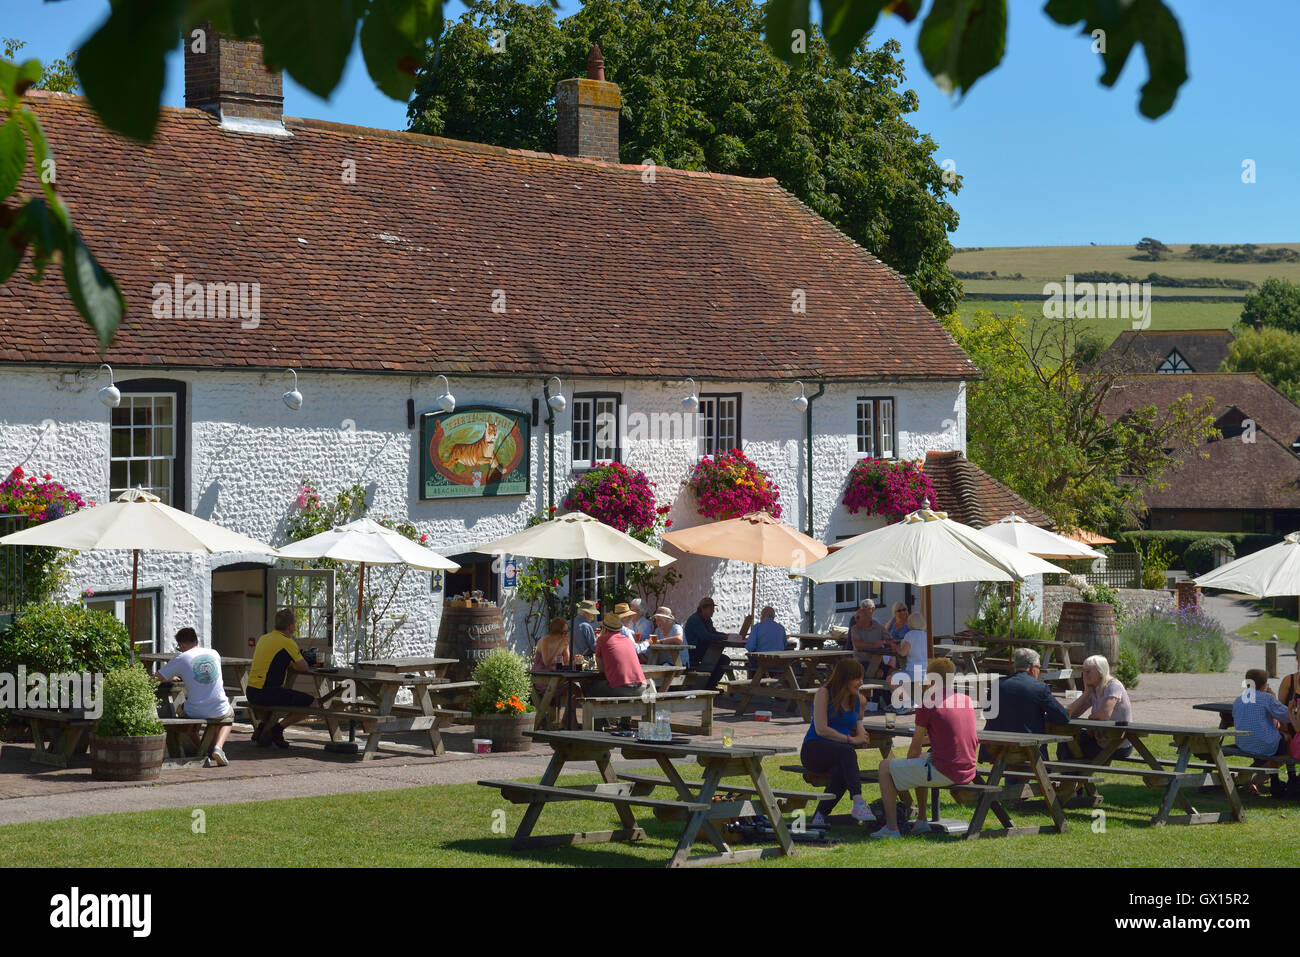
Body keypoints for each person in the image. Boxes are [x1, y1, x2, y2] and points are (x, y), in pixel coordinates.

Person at [873, 657, 978, 839]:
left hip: (947, 771)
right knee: (922, 760)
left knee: (885, 767)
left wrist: (903, 766)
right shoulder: (966, 700)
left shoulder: (928, 703)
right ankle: (921, 820)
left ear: (930, 679)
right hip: (968, 768)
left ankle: (891, 828)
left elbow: (913, 749)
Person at [802, 658, 875, 826]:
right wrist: (851, 739)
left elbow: (858, 722)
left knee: (842, 771)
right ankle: (858, 801)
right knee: (848, 752)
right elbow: (821, 729)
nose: (861, 683)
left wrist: (862, 735)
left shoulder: (858, 700)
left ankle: (819, 817)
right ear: (844, 678)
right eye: (857, 678)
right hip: (814, 749)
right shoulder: (824, 693)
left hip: (839, 752)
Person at [156, 627, 233, 767]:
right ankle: (218, 747)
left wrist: (169, 678)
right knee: (229, 716)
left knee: (181, 710)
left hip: (195, 710)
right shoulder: (214, 653)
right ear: (196, 640)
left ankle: (201, 750)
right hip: (219, 708)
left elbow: (155, 678)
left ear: (181, 645)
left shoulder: (181, 658)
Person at [246, 608, 318, 748]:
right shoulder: (287, 642)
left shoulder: (263, 638)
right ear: (291, 626)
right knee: (312, 704)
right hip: (267, 693)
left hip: (251, 691)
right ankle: (277, 730)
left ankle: (262, 727)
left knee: (282, 698)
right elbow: (303, 667)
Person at [982, 648, 1071, 761]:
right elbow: (1063, 717)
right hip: (1028, 753)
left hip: (995, 750)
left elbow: (987, 712)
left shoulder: (996, 684)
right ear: (1032, 668)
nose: (1039, 671)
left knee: (1012, 766)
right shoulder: (1039, 688)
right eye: (1039, 667)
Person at [1058, 654, 1134, 762]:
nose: (1085, 674)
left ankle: (1070, 776)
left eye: (1089, 671)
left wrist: (1090, 717)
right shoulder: (1094, 689)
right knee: (1066, 741)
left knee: (1073, 747)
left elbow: (1104, 715)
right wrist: (1086, 693)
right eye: (1083, 671)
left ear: (1100, 672)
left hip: (1118, 744)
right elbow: (1070, 713)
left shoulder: (1112, 686)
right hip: (1102, 740)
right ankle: (1070, 776)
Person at [684, 597, 753, 690]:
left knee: (722, 659)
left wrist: (728, 635)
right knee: (723, 660)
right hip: (694, 653)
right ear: (703, 608)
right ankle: (709, 686)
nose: (713, 611)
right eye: (711, 609)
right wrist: (725, 637)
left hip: (704, 651)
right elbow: (706, 636)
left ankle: (709, 685)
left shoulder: (707, 620)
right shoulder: (695, 620)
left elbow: (713, 633)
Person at [1232, 668, 1295, 762]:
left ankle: (1270, 773)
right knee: (1288, 737)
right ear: (1264, 684)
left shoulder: (1238, 700)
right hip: (1265, 745)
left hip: (1243, 744)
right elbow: (1287, 716)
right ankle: (1290, 772)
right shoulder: (1267, 698)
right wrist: (1274, 698)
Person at [590, 609, 646, 698]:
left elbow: (601, 669)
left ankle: (601, 712)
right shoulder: (627, 640)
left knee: (590, 687)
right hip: (641, 687)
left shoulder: (602, 640)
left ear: (604, 628)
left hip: (621, 688)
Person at [889, 612, 929, 711]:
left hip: (913, 671)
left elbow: (903, 653)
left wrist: (895, 646)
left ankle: (907, 702)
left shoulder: (910, 635)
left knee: (891, 678)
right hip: (925, 671)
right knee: (895, 674)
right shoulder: (926, 635)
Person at [849, 599, 892, 674]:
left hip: (878, 662)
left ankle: (914, 684)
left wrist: (884, 642)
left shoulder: (878, 627)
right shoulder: (855, 629)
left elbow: (891, 640)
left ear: (867, 618)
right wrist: (874, 645)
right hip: (861, 662)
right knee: (879, 673)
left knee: (894, 672)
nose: (855, 620)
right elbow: (857, 644)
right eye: (856, 617)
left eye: (858, 617)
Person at [532, 616, 571, 696]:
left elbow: (567, 662)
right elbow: (547, 662)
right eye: (564, 632)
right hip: (542, 679)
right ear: (556, 631)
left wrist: (568, 650)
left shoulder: (563, 641)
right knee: (571, 687)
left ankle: (570, 709)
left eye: (567, 632)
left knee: (576, 687)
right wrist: (559, 647)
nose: (566, 634)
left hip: (557, 678)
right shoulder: (545, 641)